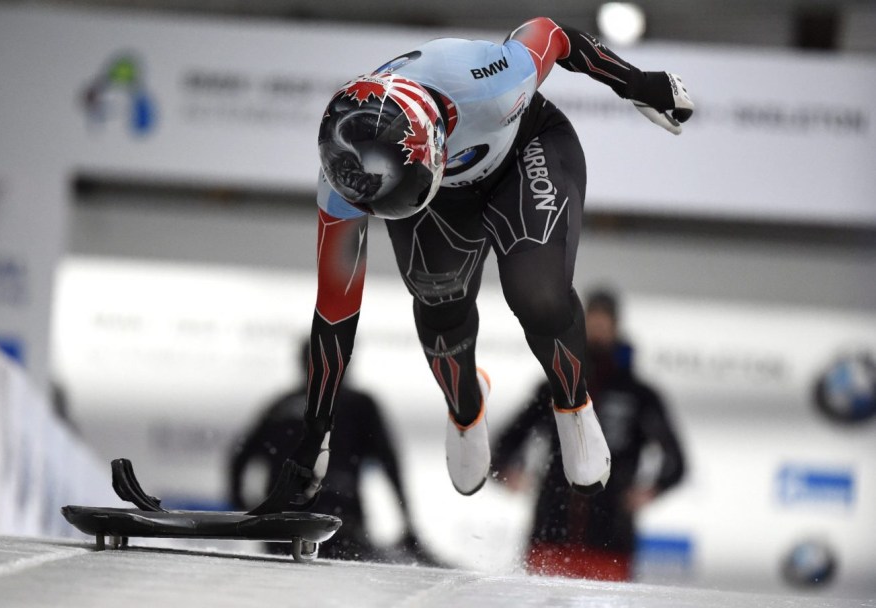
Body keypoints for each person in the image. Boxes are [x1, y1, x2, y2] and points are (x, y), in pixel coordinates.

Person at [256, 17, 694, 514]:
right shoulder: (342, 180)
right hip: (440, 194)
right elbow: (335, 311)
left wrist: (639, 84)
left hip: (525, 150)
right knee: (438, 296)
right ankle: (465, 409)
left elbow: (555, 35)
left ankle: (572, 402)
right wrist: (316, 434)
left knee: (538, 294)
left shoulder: (491, 82)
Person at [492, 288, 687, 581]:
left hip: (610, 538)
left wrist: (650, 490)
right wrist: (508, 471)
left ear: (616, 328)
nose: (597, 331)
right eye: (591, 322)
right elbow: (508, 439)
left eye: (603, 324)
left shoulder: (639, 395)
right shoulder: (554, 387)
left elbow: (676, 461)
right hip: (551, 531)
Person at [229, 339, 439, 563]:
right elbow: (390, 463)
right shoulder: (360, 404)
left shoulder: (281, 405)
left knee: (285, 587)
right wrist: (406, 520)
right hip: (339, 521)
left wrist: (247, 507)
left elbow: (240, 457)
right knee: (339, 586)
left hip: (282, 524)